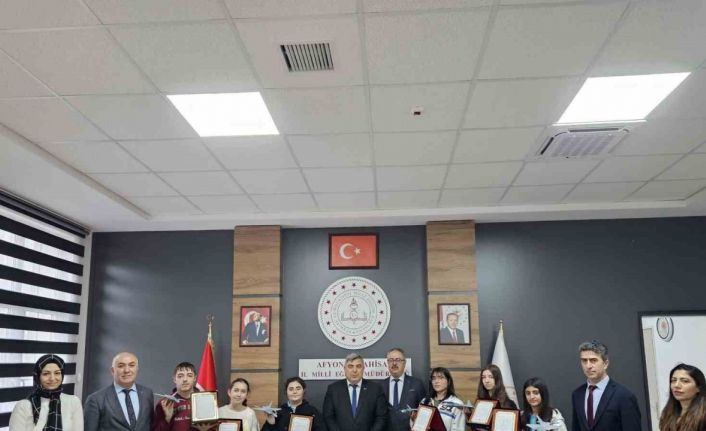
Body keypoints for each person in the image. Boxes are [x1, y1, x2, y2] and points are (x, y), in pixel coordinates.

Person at [570, 340, 640, 431]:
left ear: (605, 364)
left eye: (593, 360)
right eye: (584, 360)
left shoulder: (624, 396)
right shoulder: (577, 395)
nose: (588, 366)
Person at [9, 354, 83, 431]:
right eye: (46, 374)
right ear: (38, 376)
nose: (52, 378)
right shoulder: (23, 406)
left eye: (57, 373)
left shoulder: (73, 402)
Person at [84, 352, 154, 431]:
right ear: (112, 371)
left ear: (137, 369)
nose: (127, 370)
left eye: (131, 365)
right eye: (121, 366)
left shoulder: (147, 394)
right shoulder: (96, 400)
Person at [322, 352, 387, 431]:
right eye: (350, 366)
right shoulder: (333, 389)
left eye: (358, 366)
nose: (354, 370)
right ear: (344, 369)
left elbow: (381, 417)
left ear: (363, 369)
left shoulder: (375, 389)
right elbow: (328, 417)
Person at [381, 348, 426, 431]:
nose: (394, 363)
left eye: (398, 360)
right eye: (391, 360)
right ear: (387, 363)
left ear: (404, 363)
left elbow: (424, 411)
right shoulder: (380, 386)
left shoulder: (417, 384)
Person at [152, 362, 205, 431]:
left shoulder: (205, 401)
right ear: (174, 379)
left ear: (195, 378)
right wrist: (167, 419)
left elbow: (214, 427)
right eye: (180, 376)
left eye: (189, 375)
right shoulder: (164, 403)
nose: (185, 379)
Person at [261, 376, 326, 431]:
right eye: (291, 389)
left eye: (298, 389)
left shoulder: (312, 411)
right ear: (286, 392)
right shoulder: (278, 413)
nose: (294, 392)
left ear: (303, 391)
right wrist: (271, 424)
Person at [659, 363, 706, 431]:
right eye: (673, 380)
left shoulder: (703, 416)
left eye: (685, 381)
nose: (676, 385)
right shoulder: (668, 413)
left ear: (698, 388)